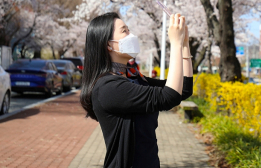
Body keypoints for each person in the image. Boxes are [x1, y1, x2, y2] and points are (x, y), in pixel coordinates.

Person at [80, 11, 194, 168]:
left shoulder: (133, 78)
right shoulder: (108, 87)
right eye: (124, 31)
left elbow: (183, 89)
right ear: (108, 45)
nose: (131, 35)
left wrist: (184, 45)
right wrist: (174, 43)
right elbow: (170, 96)